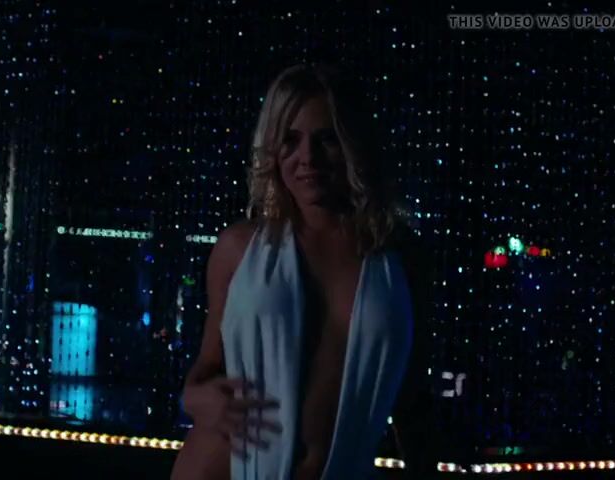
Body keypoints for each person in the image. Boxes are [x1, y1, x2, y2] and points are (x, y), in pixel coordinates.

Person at [170, 63, 439, 480]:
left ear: (352, 145)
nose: (307, 158)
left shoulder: (400, 257)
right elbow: (205, 372)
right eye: (290, 140)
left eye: (326, 139)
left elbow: (413, 398)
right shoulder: (238, 250)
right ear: (272, 151)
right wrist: (197, 400)